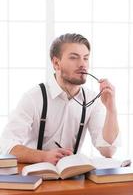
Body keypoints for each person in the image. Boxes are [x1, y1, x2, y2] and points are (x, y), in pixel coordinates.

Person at [0, 33, 120, 165]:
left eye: (85, 58)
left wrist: (111, 109)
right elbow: (6, 146)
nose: (82, 64)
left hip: (72, 178)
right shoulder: (34, 98)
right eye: (74, 58)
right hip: (35, 176)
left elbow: (108, 151)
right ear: (56, 63)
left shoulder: (92, 99)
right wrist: (44, 156)